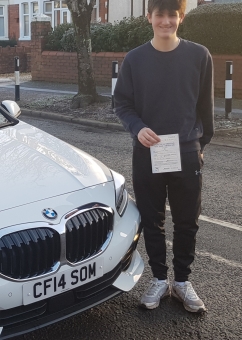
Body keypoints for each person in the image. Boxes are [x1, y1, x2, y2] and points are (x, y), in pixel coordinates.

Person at [114, 0, 213, 313]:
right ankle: (159, 279)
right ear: (150, 18)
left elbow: (205, 110)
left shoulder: (199, 56)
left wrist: (198, 146)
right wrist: (137, 127)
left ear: (181, 17)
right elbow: (122, 104)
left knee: (187, 222)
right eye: (161, 15)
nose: (166, 21)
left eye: (173, 15)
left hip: (186, 152)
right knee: (151, 220)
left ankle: (182, 282)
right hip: (148, 152)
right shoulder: (135, 59)